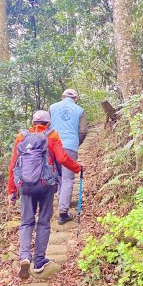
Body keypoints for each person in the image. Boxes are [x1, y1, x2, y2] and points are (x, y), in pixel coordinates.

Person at [8, 110, 81, 279]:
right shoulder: (52, 135)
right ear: (48, 123)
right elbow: (62, 159)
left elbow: (13, 165)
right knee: (43, 222)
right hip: (46, 185)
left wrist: (11, 191)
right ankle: (39, 262)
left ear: (33, 122)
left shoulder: (22, 137)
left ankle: (25, 256)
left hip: (25, 185)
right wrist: (77, 168)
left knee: (26, 222)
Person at [50, 88, 88, 224]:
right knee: (67, 179)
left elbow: (48, 127)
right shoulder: (80, 110)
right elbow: (83, 131)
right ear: (75, 98)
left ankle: (61, 200)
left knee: (59, 175)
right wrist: (75, 142)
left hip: (54, 146)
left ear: (62, 97)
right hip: (70, 146)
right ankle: (63, 212)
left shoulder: (52, 107)